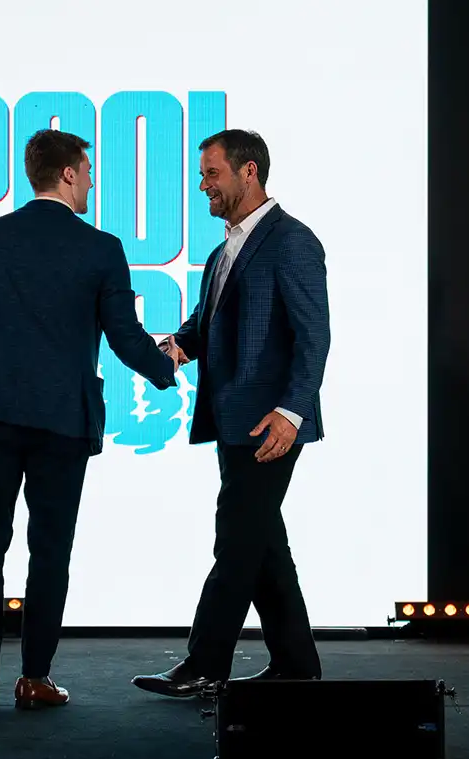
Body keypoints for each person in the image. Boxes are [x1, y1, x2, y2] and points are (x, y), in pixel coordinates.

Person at [0, 129, 179, 710]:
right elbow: (124, 336)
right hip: (62, 419)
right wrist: (165, 365)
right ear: (70, 173)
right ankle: (35, 679)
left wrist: (3, 343)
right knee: (50, 549)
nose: (92, 183)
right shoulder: (101, 248)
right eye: (89, 172)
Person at [132, 129, 330, 697]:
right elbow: (206, 322)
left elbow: (314, 336)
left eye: (212, 173)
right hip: (233, 420)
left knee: (237, 541)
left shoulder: (292, 241)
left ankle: (205, 664)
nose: (203, 185)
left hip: (271, 425)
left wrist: (291, 412)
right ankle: (296, 664)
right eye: (202, 175)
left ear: (249, 171)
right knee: (262, 543)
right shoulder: (224, 251)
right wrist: (177, 346)